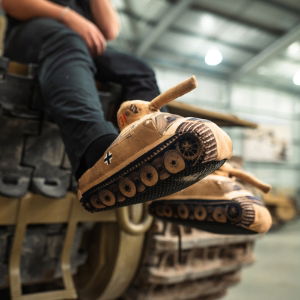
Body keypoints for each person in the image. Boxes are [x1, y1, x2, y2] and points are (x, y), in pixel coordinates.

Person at [2, 0, 232, 212]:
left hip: (81, 40)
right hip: (33, 31)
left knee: (139, 69)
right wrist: (68, 16)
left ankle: (152, 141)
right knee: (67, 42)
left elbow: (110, 30)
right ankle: (97, 157)